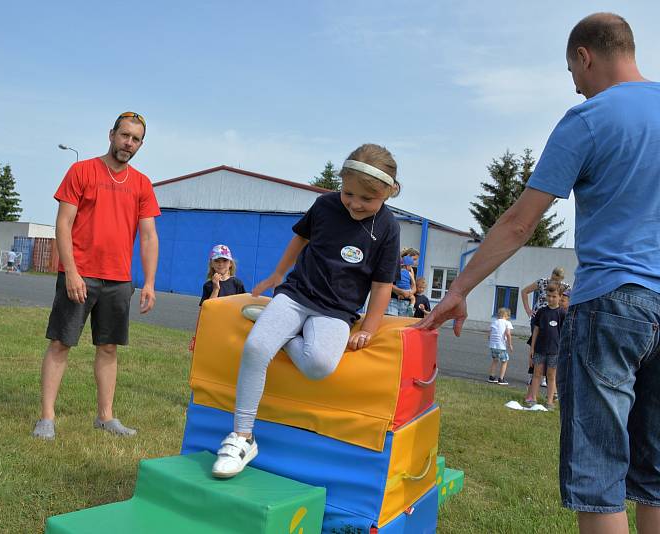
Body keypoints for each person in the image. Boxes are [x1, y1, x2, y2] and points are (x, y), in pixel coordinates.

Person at [417, 13, 660, 533]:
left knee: (599, 480)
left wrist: (459, 288)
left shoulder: (589, 118)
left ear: (584, 56)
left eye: (571, 70)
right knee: (655, 477)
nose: (573, 83)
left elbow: (519, 222)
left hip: (613, 303)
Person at [211, 143, 401, 478]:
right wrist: (277, 274)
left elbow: (382, 284)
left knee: (318, 365)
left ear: (388, 193)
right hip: (297, 294)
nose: (355, 203)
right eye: (349, 193)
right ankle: (242, 436)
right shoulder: (326, 205)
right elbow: (299, 239)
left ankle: (283, 333)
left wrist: (369, 327)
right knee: (255, 347)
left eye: (366, 199)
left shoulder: (388, 227)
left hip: (337, 311)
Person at [33, 111, 160, 441]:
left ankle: (105, 417)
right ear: (111, 134)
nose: (128, 143)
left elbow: (148, 236)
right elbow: (63, 224)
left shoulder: (142, 184)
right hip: (80, 275)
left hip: (119, 281)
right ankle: (47, 418)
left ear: (140, 144)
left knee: (108, 348)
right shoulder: (82, 170)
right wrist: (71, 271)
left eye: (135, 139)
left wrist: (148, 282)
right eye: (124, 135)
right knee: (61, 343)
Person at [521, 267, 570, 387]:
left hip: (555, 318)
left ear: (562, 279)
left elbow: (568, 301)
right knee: (537, 346)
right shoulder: (542, 282)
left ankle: (547, 377)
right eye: (553, 278)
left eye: (557, 280)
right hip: (540, 318)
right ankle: (533, 375)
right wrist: (528, 310)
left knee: (553, 348)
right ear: (551, 275)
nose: (555, 281)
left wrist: (565, 313)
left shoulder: (565, 287)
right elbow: (524, 291)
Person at [525, 283, 565, 408]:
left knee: (551, 376)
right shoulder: (541, 312)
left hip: (554, 351)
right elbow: (536, 330)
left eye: (554, 296)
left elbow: (564, 333)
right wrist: (532, 348)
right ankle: (533, 398)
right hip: (539, 349)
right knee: (537, 374)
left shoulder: (562, 313)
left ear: (559, 297)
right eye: (549, 296)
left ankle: (549, 401)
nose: (551, 299)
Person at [487, 307, 514, 385]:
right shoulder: (507, 323)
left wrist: (491, 340)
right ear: (507, 316)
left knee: (495, 360)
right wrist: (510, 344)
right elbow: (508, 334)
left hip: (493, 345)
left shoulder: (494, 322)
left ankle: (491, 377)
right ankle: (501, 379)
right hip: (501, 346)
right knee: (504, 361)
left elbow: (489, 333)